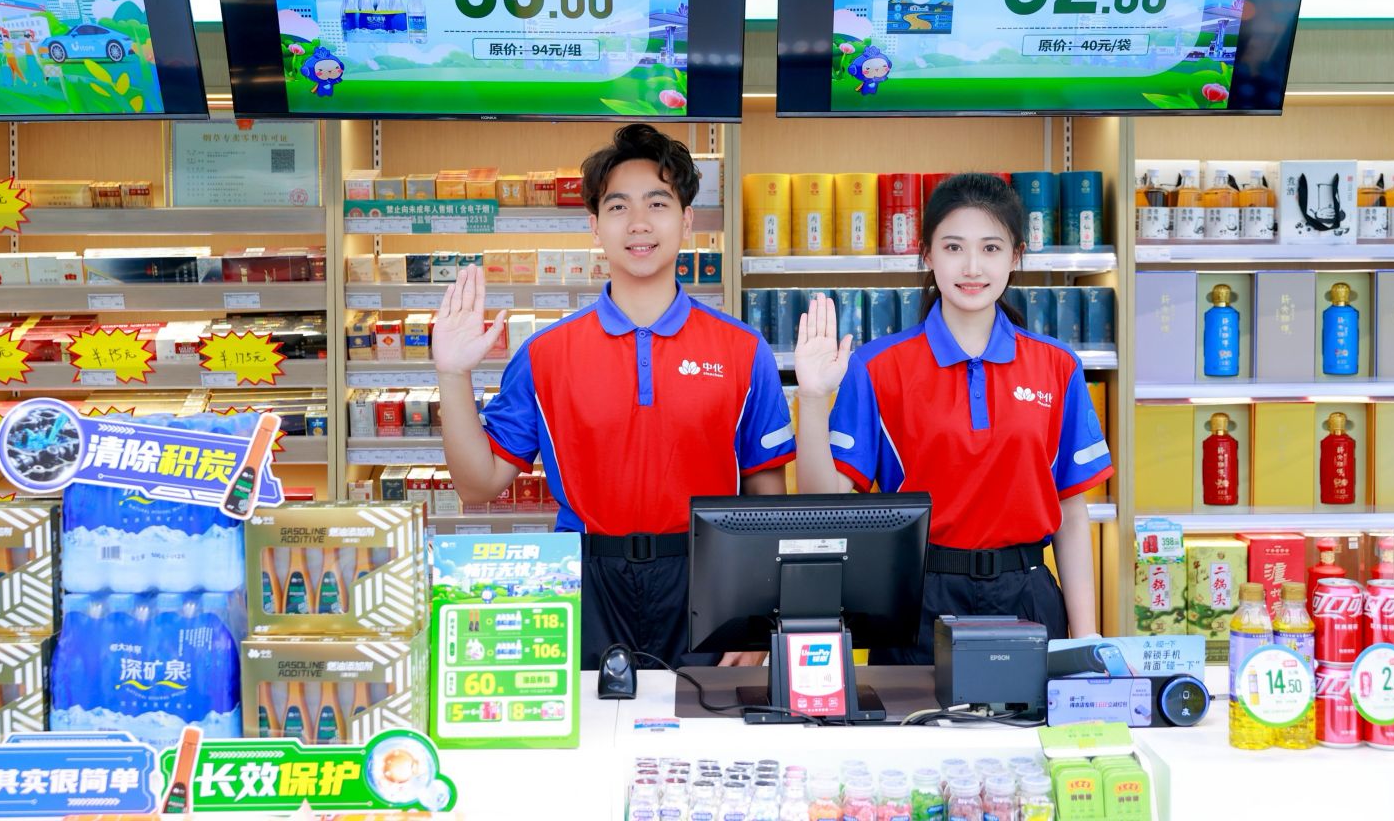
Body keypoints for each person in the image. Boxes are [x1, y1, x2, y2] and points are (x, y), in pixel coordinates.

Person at [433, 124, 793, 669]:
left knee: (702, 723)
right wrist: (452, 374)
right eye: (619, 206)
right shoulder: (545, 353)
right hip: (582, 583)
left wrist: (758, 609)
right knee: (586, 725)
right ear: (595, 226)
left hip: (708, 582)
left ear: (687, 220)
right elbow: (478, 483)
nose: (639, 223)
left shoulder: (743, 350)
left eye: (658, 203)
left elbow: (767, 497)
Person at [792, 173, 1111, 663]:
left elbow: (1070, 512)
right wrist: (813, 399)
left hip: (1026, 597)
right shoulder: (878, 366)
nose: (972, 267)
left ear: (1016, 256)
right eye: (953, 247)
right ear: (927, 254)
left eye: (991, 248)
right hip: (916, 600)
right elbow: (823, 503)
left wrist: (1085, 638)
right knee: (912, 716)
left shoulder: (1057, 365)